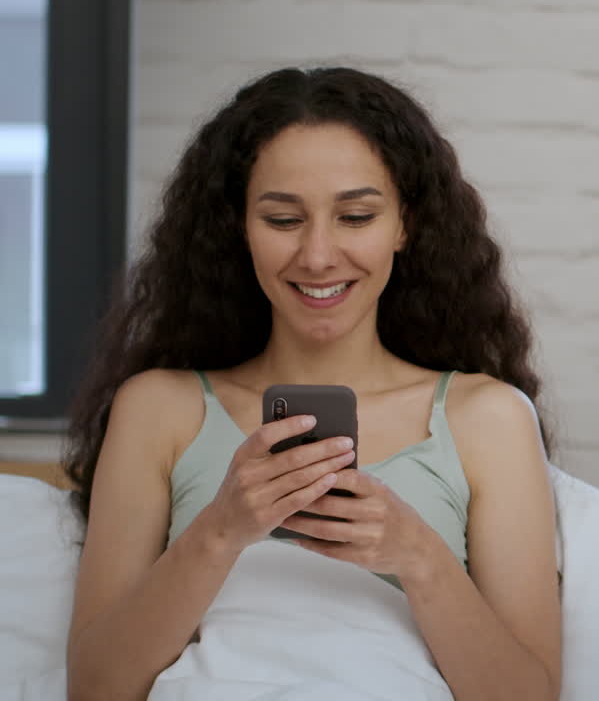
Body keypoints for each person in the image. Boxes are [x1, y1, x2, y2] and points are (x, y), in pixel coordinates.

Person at [61, 67, 561, 701]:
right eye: (282, 219)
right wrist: (221, 529)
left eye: (355, 216)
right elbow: (94, 689)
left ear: (405, 224)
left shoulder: (487, 418)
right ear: (238, 228)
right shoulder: (160, 409)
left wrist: (417, 555)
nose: (319, 255)